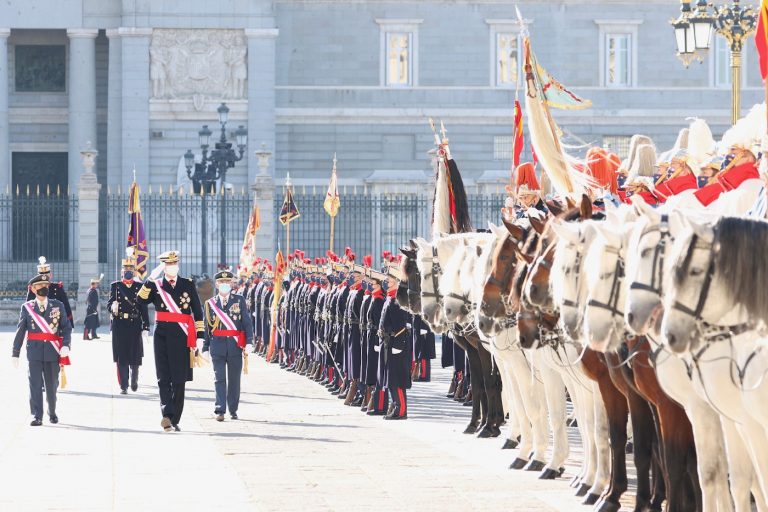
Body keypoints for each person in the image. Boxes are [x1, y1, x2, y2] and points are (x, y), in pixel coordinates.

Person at [137, 250, 204, 432]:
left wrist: (200, 337)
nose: (172, 266)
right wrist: (150, 279)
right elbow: (140, 300)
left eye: (175, 263)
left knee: (179, 379)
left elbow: (197, 312)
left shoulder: (187, 285)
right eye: (169, 264)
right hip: (162, 334)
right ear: (164, 267)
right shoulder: (156, 285)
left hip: (182, 335)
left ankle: (175, 418)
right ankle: (166, 414)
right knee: (163, 376)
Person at [12, 273, 73, 426]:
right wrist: (15, 353)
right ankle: (37, 415)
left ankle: (52, 412)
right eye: (40, 286)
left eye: (46, 286)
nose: (44, 288)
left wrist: (66, 344)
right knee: (35, 384)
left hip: (53, 351)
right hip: (34, 351)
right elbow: (21, 331)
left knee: (52, 385)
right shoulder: (27, 308)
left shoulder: (58, 305)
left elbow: (66, 327)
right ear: (33, 289)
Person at [203, 269, 254, 421]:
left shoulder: (239, 300)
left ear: (231, 283)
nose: (225, 284)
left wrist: (249, 342)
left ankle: (233, 409)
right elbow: (206, 327)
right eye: (221, 282)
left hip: (234, 345)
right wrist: (205, 347)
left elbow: (246, 322)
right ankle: (220, 409)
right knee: (219, 378)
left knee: (234, 379)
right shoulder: (210, 304)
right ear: (217, 284)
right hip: (217, 345)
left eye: (227, 282)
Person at [108, 251, 149, 394]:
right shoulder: (116, 286)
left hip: (134, 324)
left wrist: (146, 326)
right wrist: (112, 307)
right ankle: (123, 385)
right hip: (120, 324)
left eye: (130, 270)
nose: (128, 272)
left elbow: (143, 307)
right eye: (126, 270)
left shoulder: (140, 287)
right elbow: (109, 304)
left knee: (135, 355)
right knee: (122, 355)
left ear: (134, 271)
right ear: (122, 271)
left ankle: (134, 380)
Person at [379, 258, 411, 420]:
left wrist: (398, 344)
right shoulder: (390, 298)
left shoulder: (397, 300)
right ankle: (396, 407)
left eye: (388, 279)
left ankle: (401, 410)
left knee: (396, 380)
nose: (385, 281)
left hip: (395, 345)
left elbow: (402, 326)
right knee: (390, 379)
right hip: (387, 343)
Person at [27, 256, 74, 329]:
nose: (45, 278)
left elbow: (66, 306)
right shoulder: (33, 289)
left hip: (55, 324)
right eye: (42, 276)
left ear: (51, 275)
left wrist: (70, 324)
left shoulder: (58, 287)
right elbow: (28, 307)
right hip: (39, 324)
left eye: (47, 276)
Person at [84, 275, 102, 340]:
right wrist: (94, 309)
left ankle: (94, 335)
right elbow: (93, 301)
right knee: (88, 323)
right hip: (92, 309)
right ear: (93, 284)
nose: (97, 285)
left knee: (95, 323)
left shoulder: (89, 290)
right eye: (96, 284)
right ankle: (85, 336)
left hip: (92, 308)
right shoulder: (93, 291)